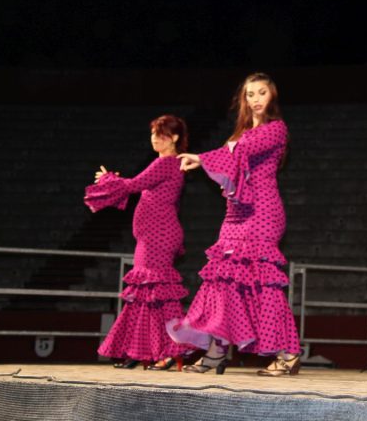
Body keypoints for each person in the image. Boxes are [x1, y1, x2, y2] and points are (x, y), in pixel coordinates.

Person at [168, 72, 301, 376]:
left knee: (263, 285)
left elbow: (240, 153)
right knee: (221, 283)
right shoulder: (238, 133)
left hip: (263, 212)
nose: (255, 99)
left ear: (272, 96)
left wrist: (201, 158)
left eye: (262, 93)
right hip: (235, 215)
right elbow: (232, 163)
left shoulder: (276, 130)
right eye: (250, 94)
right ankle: (216, 351)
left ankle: (288, 352)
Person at [84, 114, 190, 371]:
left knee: (159, 297)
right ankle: (139, 350)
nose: (154, 139)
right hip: (153, 236)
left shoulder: (167, 163)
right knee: (143, 297)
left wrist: (109, 179)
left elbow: (134, 184)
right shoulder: (166, 163)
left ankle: (173, 350)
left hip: (159, 237)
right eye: (153, 134)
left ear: (174, 138)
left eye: (160, 134)